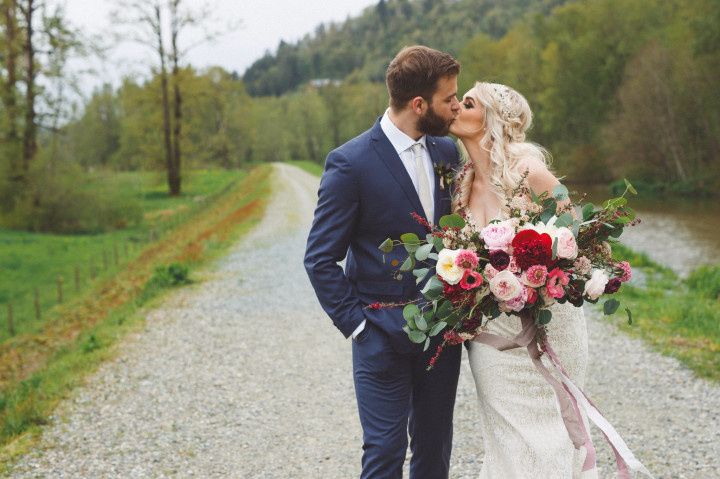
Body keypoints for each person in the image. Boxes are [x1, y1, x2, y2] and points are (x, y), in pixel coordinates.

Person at [304, 45, 463, 479]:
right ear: (419, 105)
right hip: (380, 336)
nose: (455, 106)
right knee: (384, 453)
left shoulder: (447, 153)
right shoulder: (350, 163)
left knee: (434, 453)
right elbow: (319, 259)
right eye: (448, 98)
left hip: (440, 338)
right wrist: (359, 327)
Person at [449, 81, 599, 478]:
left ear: (491, 119)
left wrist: (541, 274)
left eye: (466, 103)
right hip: (493, 337)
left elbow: (577, 235)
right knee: (507, 438)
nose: (454, 107)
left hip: (551, 327)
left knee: (553, 433)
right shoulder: (461, 186)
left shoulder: (528, 171)